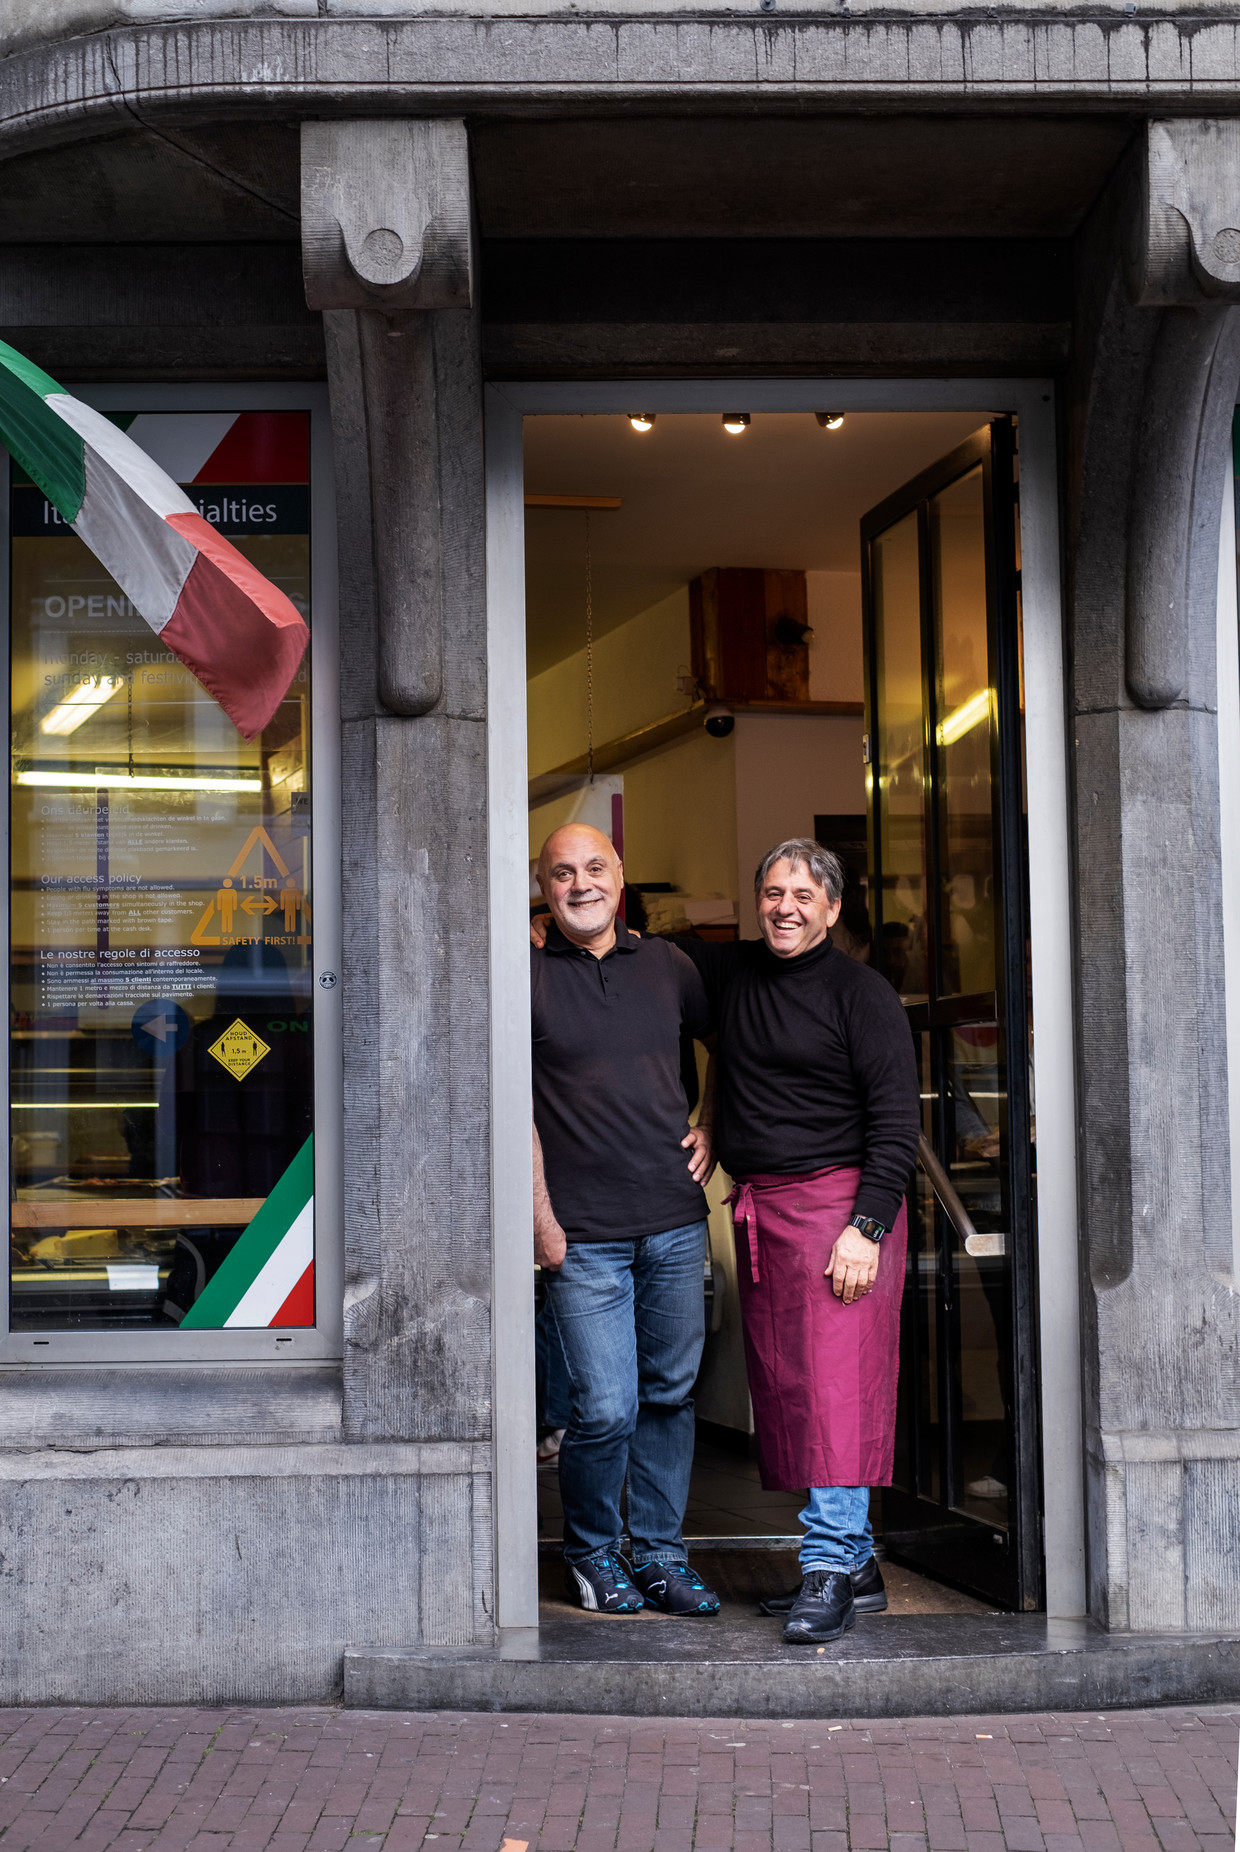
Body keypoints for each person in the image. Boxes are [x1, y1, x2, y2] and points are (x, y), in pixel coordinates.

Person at [675, 838, 921, 1646]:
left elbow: (896, 1125)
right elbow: (663, 981)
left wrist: (867, 1228)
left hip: (841, 1212)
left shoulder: (863, 993)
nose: (785, 907)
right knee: (794, 1392)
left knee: (834, 1396)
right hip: (766, 1210)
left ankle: (825, 1569)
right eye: (773, 892)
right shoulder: (734, 974)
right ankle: (857, 1566)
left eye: (803, 895)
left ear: (833, 907)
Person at [531, 823, 722, 1618]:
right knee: (605, 1407)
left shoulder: (669, 966)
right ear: (542, 887)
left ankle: (661, 1557)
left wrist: (714, 1121)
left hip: (675, 1221)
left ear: (621, 874)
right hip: (581, 1235)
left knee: (671, 1396)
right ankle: (593, 1553)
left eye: (596, 868)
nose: (582, 884)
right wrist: (541, 1220)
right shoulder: (520, 973)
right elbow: (508, 1109)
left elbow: (732, 1048)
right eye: (563, 873)